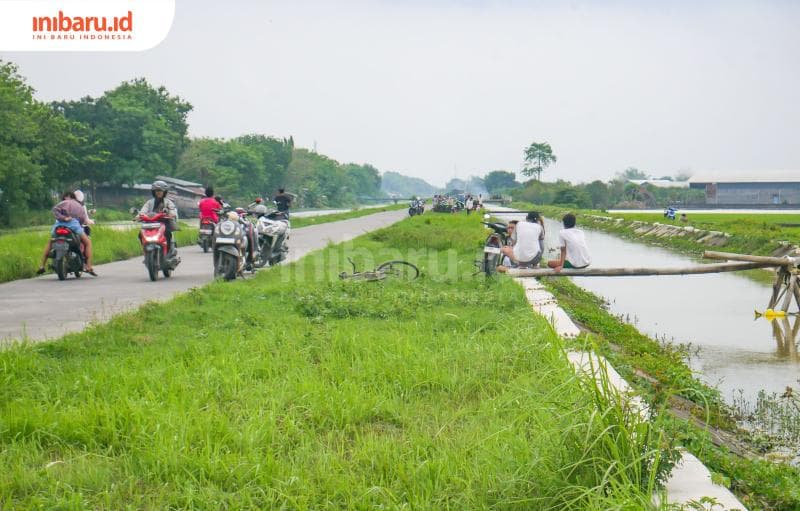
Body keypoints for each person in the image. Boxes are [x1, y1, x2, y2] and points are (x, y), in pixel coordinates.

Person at [37, 191, 96, 276]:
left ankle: (42, 265)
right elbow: (83, 219)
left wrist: (62, 218)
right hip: (73, 225)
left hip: (59, 225)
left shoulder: (62, 203)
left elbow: (54, 210)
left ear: (67, 196)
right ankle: (88, 266)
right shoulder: (79, 206)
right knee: (88, 243)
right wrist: (69, 219)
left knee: (50, 242)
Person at [139, 180, 178, 255]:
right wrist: (139, 216)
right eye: (157, 191)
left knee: (167, 233)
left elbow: (172, 209)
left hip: (164, 223)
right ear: (154, 192)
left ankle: (168, 252)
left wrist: (171, 214)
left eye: (160, 191)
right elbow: (143, 210)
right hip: (150, 223)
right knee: (140, 234)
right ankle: (146, 250)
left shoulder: (168, 202)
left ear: (164, 192)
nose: (158, 192)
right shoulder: (149, 202)